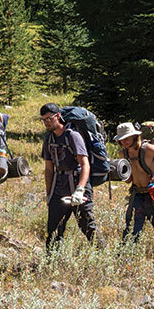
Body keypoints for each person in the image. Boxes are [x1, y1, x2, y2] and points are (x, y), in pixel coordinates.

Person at [114, 122, 154, 259]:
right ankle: (126, 258)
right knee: (132, 227)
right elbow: (130, 175)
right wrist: (127, 177)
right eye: (122, 139)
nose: (125, 141)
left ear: (134, 136)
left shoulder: (149, 149)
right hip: (137, 193)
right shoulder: (123, 153)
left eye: (128, 137)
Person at [40, 103, 96, 248]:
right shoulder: (48, 139)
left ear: (58, 116)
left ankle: (102, 255)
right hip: (59, 187)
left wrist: (80, 189)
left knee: (87, 226)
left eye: (49, 119)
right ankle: (52, 262)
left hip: (77, 183)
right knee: (53, 229)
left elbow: (85, 164)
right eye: (44, 120)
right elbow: (49, 168)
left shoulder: (73, 136)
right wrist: (49, 194)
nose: (46, 122)